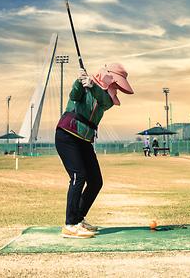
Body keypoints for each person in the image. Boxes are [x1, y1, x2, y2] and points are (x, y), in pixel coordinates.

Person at [55, 63, 133, 239]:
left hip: (84, 140)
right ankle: (70, 224)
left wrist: (91, 85)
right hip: (67, 135)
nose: (117, 89)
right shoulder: (86, 85)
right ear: (108, 78)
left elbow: (104, 101)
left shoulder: (106, 100)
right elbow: (74, 95)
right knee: (78, 176)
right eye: (116, 84)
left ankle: (78, 218)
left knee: (96, 181)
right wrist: (79, 80)